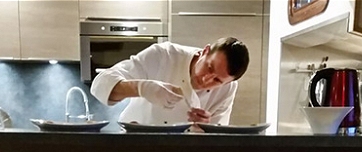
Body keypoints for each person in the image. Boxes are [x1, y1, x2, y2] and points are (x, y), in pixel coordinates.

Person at [91, 37, 249, 125]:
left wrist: (205, 127)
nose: (206, 79)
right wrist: (141, 88)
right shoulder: (164, 55)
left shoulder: (228, 89)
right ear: (205, 51)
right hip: (135, 146)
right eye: (209, 67)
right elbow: (100, 84)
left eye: (217, 80)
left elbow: (217, 140)